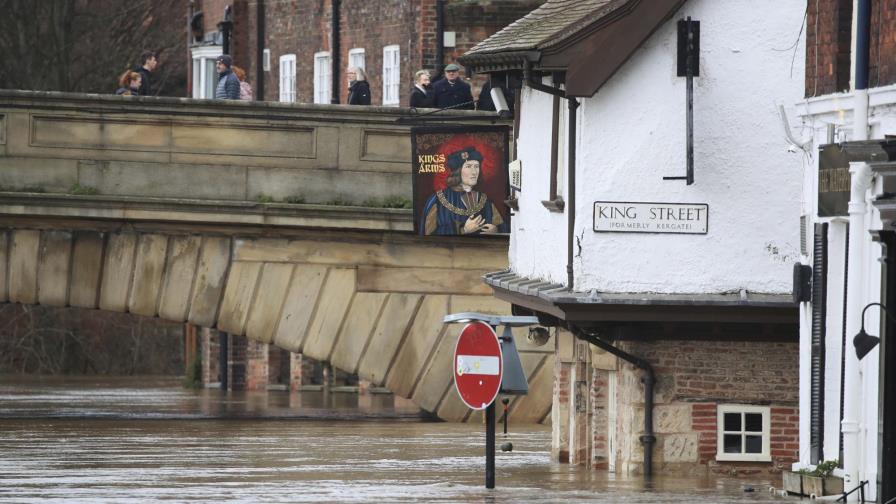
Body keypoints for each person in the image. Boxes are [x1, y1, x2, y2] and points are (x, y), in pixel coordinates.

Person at [421, 147, 507, 235]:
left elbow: (503, 229)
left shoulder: (485, 201)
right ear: (458, 171)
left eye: (476, 166)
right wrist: (464, 230)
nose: (474, 172)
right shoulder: (437, 200)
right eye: (468, 166)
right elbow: (428, 235)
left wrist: (496, 230)